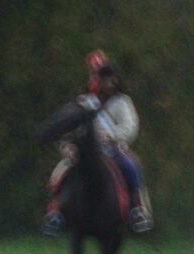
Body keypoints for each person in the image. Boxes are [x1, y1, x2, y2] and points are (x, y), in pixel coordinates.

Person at [43, 50, 152, 235]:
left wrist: (112, 136)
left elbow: (130, 127)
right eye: (96, 75)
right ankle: (55, 213)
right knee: (59, 172)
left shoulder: (122, 102)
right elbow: (68, 130)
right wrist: (67, 146)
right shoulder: (84, 102)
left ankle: (138, 210)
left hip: (113, 149)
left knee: (131, 166)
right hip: (85, 150)